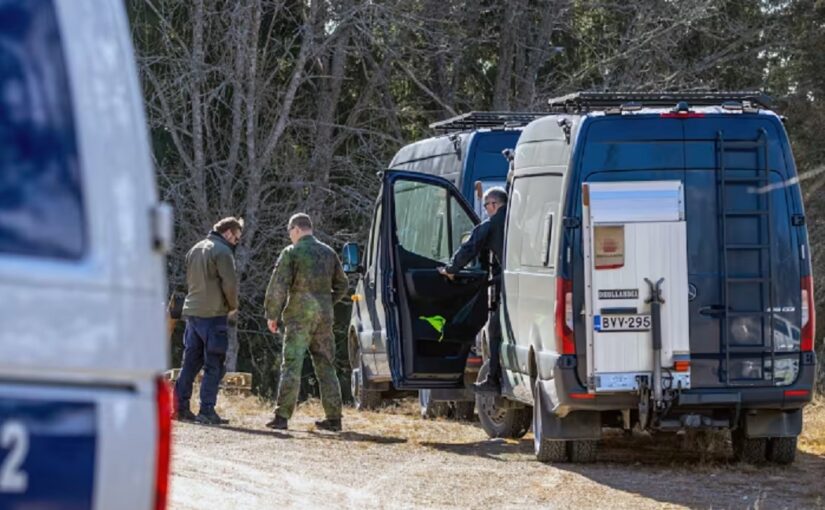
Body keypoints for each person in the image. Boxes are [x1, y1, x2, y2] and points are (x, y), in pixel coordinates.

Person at [264, 213, 349, 432]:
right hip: (323, 317)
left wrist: (272, 314)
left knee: (291, 364)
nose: (290, 236)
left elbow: (278, 286)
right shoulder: (329, 253)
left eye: (290, 232)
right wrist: (328, 301)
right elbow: (342, 284)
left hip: (299, 317)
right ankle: (334, 418)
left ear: (296, 229)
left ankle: (282, 416)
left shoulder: (292, 253)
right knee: (326, 365)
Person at [438, 187, 507, 393]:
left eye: (486, 206)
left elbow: (470, 247)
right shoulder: (517, 220)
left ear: (494, 204)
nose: (486, 210)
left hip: (507, 286)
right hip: (521, 283)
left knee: (494, 330)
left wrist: (451, 269)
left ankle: (493, 380)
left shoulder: (491, 224)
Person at [174, 217, 243, 425]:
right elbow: (229, 284)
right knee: (214, 363)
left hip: (193, 313)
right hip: (213, 314)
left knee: (190, 362)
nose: (236, 242)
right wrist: (233, 306)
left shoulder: (195, 249)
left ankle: (180, 407)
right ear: (229, 233)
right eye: (237, 238)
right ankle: (206, 410)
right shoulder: (222, 252)